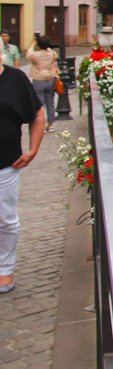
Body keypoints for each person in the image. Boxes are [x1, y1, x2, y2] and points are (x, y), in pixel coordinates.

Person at [0, 44, 45, 294]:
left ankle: (4, 269)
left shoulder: (15, 79)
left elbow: (37, 114)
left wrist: (32, 150)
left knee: (4, 218)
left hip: (5, 162)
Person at [26, 36, 58, 134]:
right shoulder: (52, 54)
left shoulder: (35, 55)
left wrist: (33, 43)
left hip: (38, 80)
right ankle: (51, 125)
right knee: (50, 103)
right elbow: (49, 50)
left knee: (40, 104)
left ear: (38, 45)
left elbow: (28, 54)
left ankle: (42, 126)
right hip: (50, 79)